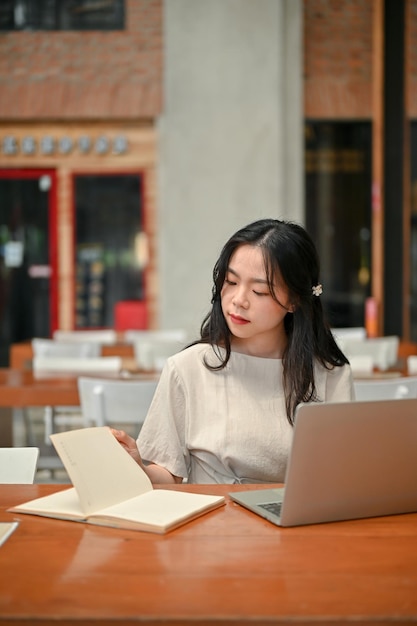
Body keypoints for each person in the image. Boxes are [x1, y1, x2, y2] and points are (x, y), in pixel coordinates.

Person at [112, 218, 354, 485]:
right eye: (231, 281)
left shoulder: (330, 374)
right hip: (212, 521)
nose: (239, 300)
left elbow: (339, 476)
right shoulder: (187, 368)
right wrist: (138, 468)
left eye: (259, 291)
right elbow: (168, 474)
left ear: (294, 301)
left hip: (294, 522)